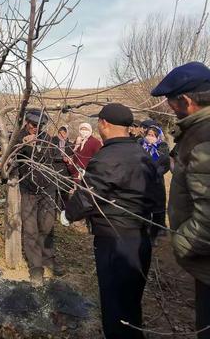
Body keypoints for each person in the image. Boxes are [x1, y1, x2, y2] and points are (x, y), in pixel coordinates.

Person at [64, 103, 157, 339]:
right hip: (140, 239)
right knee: (130, 305)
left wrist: (66, 215)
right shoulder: (142, 154)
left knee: (115, 308)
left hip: (116, 242)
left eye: (99, 122)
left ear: (104, 124)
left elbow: (89, 197)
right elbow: (156, 197)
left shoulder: (108, 157)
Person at [151, 61, 210, 339]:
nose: (169, 108)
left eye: (171, 102)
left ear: (186, 100)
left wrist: (181, 243)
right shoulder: (197, 132)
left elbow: (209, 218)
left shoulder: (203, 137)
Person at [16, 108, 57, 285]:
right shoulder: (17, 138)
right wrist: (24, 146)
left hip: (48, 188)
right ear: (27, 122)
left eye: (40, 125)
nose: (36, 128)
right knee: (30, 229)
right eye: (34, 125)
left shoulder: (46, 138)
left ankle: (48, 258)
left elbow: (52, 159)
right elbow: (10, 160)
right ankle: (36, 268)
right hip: (29, 190)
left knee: (47, 225)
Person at [139, 124, 170, 244]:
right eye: (149, 135)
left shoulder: (162, 147)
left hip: (156, 182)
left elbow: (165, 164)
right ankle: (143, 233)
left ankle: (154, 236)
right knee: (143, 208)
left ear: (158, 137)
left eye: (153, 135)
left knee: (156, 210)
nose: (150, 137)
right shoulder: (140, 145)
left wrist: (155, 172)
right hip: (141, 181)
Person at [49, 125, 73, 210]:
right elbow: (50, 155)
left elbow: (72, 157)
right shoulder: (52, 143)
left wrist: (68, 159)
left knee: (65, 195)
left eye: (64, 133)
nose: (62, 135)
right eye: (60, 133)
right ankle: (54, 215)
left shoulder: (70, 145)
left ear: (67, 134)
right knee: (54, 195)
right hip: (55, 171)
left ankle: (64, 214)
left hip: (66, 172)